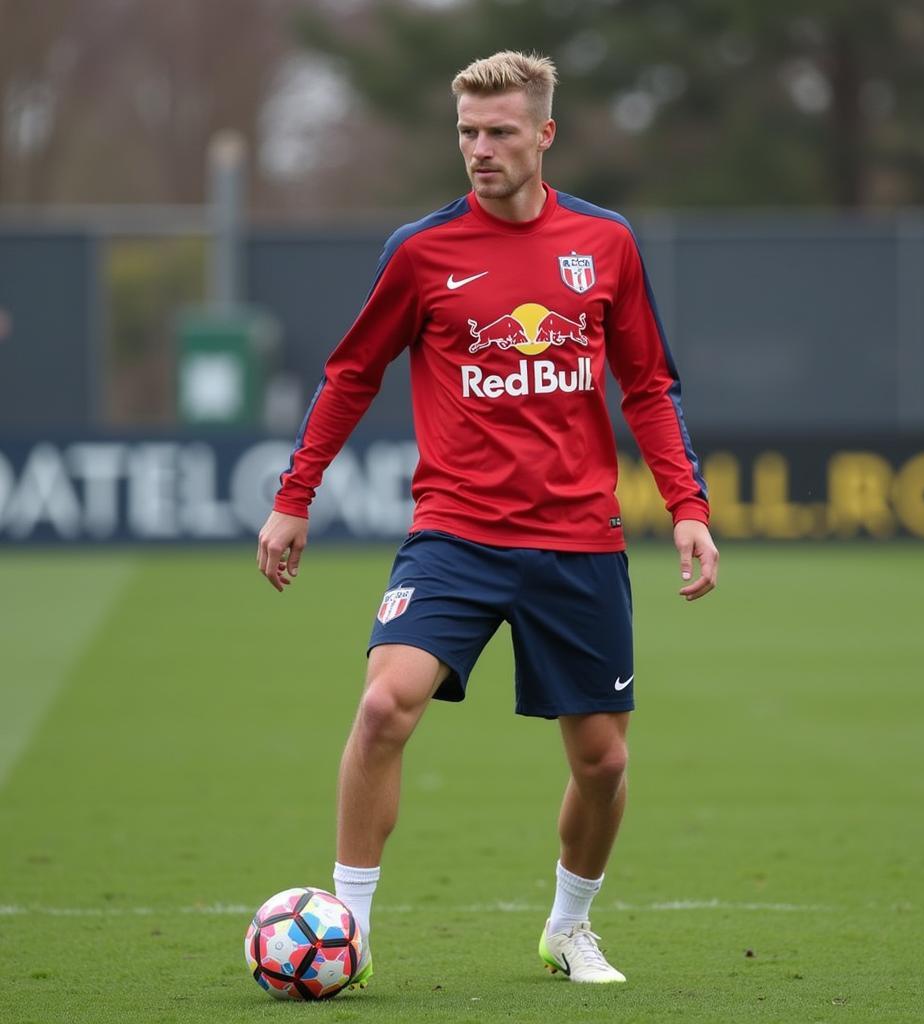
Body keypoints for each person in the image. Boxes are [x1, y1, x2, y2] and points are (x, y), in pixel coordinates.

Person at [256, 50, 718, 986]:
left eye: (500, 131)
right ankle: (351, 928)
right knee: (386, 705)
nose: (480, 149)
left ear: (544, 135)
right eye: (467, 132)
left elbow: (649, 383)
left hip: (579, 540)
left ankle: (568, 928)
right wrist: (293, 497)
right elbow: (352, 375)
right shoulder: (421, 252)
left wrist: (687, 507)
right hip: (456, 532)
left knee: (602, 763)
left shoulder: (607, 243)